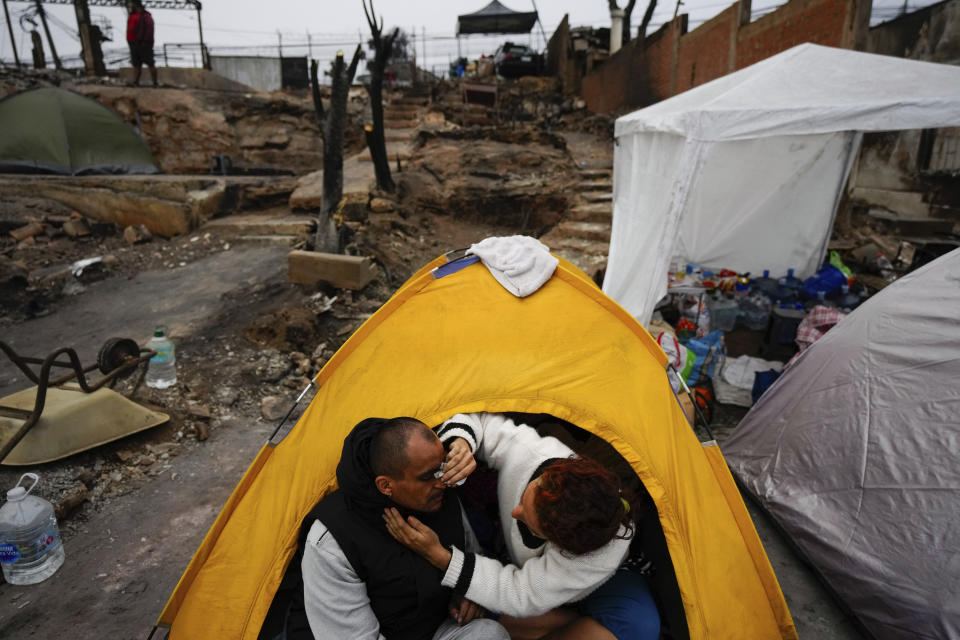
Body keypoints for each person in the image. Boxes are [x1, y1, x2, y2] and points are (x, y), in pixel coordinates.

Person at [383, 412, 660, 640]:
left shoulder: (594, 555)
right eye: (526, 497)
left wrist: (440, 557)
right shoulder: (537, 455)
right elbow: (483, 423)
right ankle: (556, 621)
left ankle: (553, 624)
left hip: (600, 580)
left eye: (529, 521)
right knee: (469, 605)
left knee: (639, 628)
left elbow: (520, 593)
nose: (515, 512)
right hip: (520, 570)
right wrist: (463, 442)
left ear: (560, 544)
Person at [297, 417, 510, 640]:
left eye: (442, 468)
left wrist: (468, 591)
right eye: (428, 476)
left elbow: (473, 556)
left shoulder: (442, 496)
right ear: (386, 485)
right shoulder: (331, 540)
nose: (442, 482)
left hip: (434, 628)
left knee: (490, 634)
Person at [126, 1, 157, 87]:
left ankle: (155, 82)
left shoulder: (145, 16)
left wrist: (145, 42)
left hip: (143, 43)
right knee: (136, 64)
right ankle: (136, 82)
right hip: (133, 43)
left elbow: (149, 30)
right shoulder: (132, 16)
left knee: (150, 62)